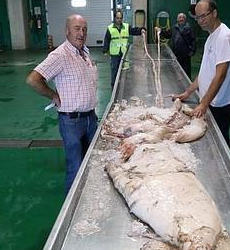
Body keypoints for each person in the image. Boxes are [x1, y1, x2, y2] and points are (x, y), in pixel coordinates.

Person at [26, 14, 98, 194]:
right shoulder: (60, 55)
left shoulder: (85, 53)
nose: (81, 33)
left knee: (92, 162)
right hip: (72, 122)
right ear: (67, 31)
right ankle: (72, 212)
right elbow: (33, 79)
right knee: (75, 166)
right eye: (76, 28)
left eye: (84, 29)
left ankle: (87, 198)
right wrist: (52, 94)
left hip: (90, 118)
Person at [172, 0, 230, 147]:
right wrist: (188, 92)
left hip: (220, 102)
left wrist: (203, 104)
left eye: (203, 16)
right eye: (197, 17)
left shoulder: (223, 37)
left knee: (220, 140)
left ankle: (224, 170)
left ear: (214, 13)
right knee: (211, 139)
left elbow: (220, 75)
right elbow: (205, 71)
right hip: (211, 99)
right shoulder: (211, 36)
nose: (200, 21)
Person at [102, 10, 144, 88]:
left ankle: (124, 86)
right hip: (115, 54)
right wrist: (105, 50)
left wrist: (141, 30)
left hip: (124, 53)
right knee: (114, 70)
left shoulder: (126, 26)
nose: (119, 20)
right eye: (117, 18)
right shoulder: (110, 28)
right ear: (115, 18)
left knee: (125, 70)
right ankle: (114, 86)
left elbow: (134, 31)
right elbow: (107, 39)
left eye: (121, 18)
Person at [161, 13, 196, 78]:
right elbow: (168, 35)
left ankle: (187, 83)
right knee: (176, 70)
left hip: (185, 54)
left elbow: (193, 40)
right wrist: (161, 32)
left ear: (185, 19)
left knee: (186, 70)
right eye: (179, 17)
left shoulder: (189, 29)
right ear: (177, 19)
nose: (181, 19)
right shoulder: (174, 28)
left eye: (183, 17)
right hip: (175, 53)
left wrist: (192, 51)